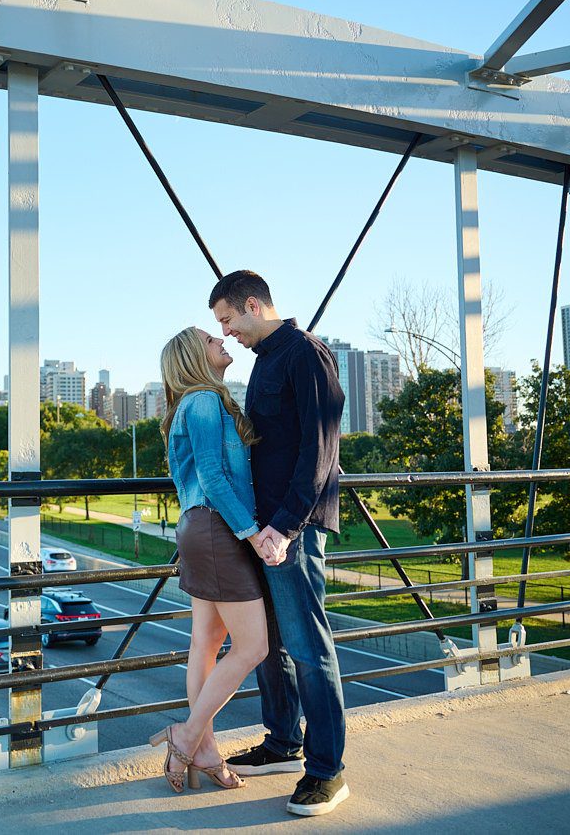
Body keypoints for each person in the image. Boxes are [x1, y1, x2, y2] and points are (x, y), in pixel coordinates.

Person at [210, 270, 350, 817]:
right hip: (263, 529)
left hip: (293, 529)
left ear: (251, 305)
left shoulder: (304, 353)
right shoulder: (265, 358)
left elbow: (320, 450)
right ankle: (282, 743)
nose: (228, 333)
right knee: (267, 644)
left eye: (228, 320)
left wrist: (286, 527)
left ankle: (327, 771)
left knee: (308, 648)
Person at [148, 326, 275, 793]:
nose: (222, 339)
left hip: (202, 529)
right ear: (193, 356)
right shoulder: (202, 401)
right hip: (217, 529)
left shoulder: (196, 402)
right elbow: (215, 479)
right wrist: (254, 533)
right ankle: (186, 737)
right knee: (252, 648)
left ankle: (203, 750)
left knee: (205, 643)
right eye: (210, 338)